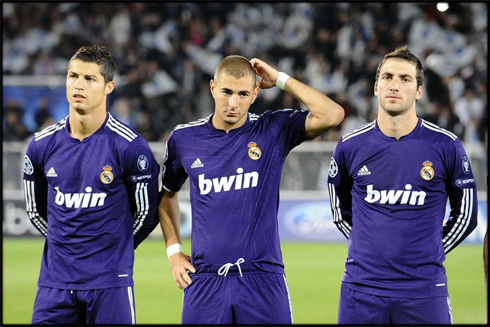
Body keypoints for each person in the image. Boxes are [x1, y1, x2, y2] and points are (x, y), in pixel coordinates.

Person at [158, 55, 344, 324]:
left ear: (256, 93)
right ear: (212, 88)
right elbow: (167, 195)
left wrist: (280, 78)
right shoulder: (185, 138)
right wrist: (174, 253)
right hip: (205, 279)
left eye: (243, 93)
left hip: (263, 277)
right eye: (227, 92)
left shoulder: (272, 129)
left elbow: (332, 114)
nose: (233, 103)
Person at [327, 46, 478, 324]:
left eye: (405, 79)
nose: (394, 85)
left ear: (418, 91)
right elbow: (339, 208)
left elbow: (466, 215)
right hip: (361, 290)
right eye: (387, 77)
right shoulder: (350, 146)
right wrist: (369, 247)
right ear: (376, 87)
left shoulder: (446, 146)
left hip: (424, 290)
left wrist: (430, 250)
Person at [22, 45, 160, 325]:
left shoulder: (131, 147)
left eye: (89, 79)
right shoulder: (40, 146)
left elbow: (147, 213)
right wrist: (66, 244)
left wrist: (114, 249)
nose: (78, 85)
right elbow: (35, 210)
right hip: (54, 285)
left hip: (111, 283)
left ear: (108, 87)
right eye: (73, 76)